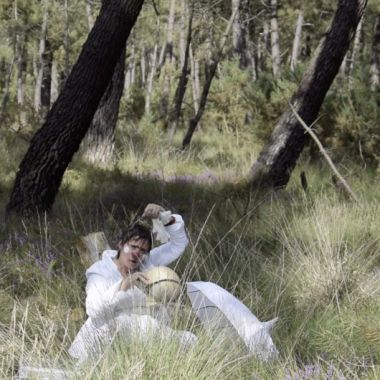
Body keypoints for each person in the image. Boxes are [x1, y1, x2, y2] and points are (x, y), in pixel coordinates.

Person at [68, 204, 197, 362]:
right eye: (133, 246)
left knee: (189, 341)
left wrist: (165, 217)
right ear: (121, 245)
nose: (137, 254)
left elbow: (178, 245)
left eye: (143, 251)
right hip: (105, 341)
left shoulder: (146, 263)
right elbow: (94, 312)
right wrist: (122, 288)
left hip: (142, 339)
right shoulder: (100, 272)